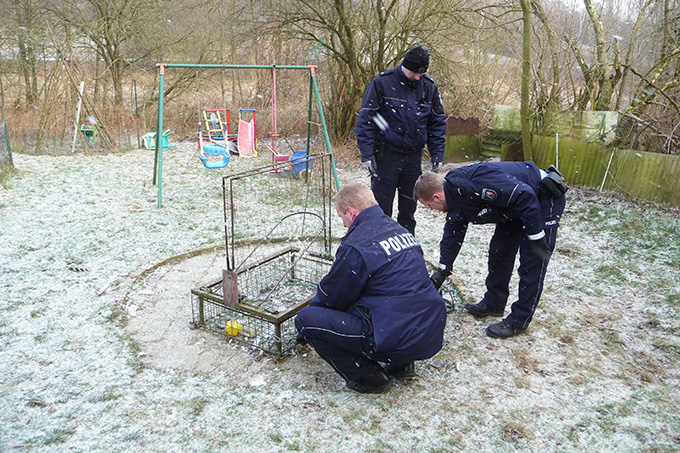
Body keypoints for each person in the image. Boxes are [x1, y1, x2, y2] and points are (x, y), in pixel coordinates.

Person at [295, 182, 447, 393]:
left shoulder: (357, 244)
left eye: (342, 217)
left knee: (306, 319)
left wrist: (308, 324)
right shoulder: (399, 230)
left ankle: (368, 376)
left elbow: (333, 297)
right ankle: (403, 363)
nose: (344, 225)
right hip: (428, 330)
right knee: (392, 296)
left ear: (351, 211)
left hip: (392, 336)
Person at [413, 162, 567, 339]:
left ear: (437, 197)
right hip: (513, 207)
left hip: (542, 197)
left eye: (428, 206)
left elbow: (525, 195)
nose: (431, 210)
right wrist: (442, 271)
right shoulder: (455, 196)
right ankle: (494, 303)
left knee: (532, 263)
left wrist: (537, 236)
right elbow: (452, 235)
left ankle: (519, 320)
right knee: (499, 252)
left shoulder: (475, 185)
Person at [356, 45, 447, 236]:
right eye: (415, 72)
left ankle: (405, 245)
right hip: (386, 156)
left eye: (422, 73)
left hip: (413, 158)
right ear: (406, 66)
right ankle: (379, 242)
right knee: (381, 207)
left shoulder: (428, 88)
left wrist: (437, 153)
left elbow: (436, 123)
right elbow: (367, 119)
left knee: (409, 208)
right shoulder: (382, 83)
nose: (418, 77)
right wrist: (367, 154)